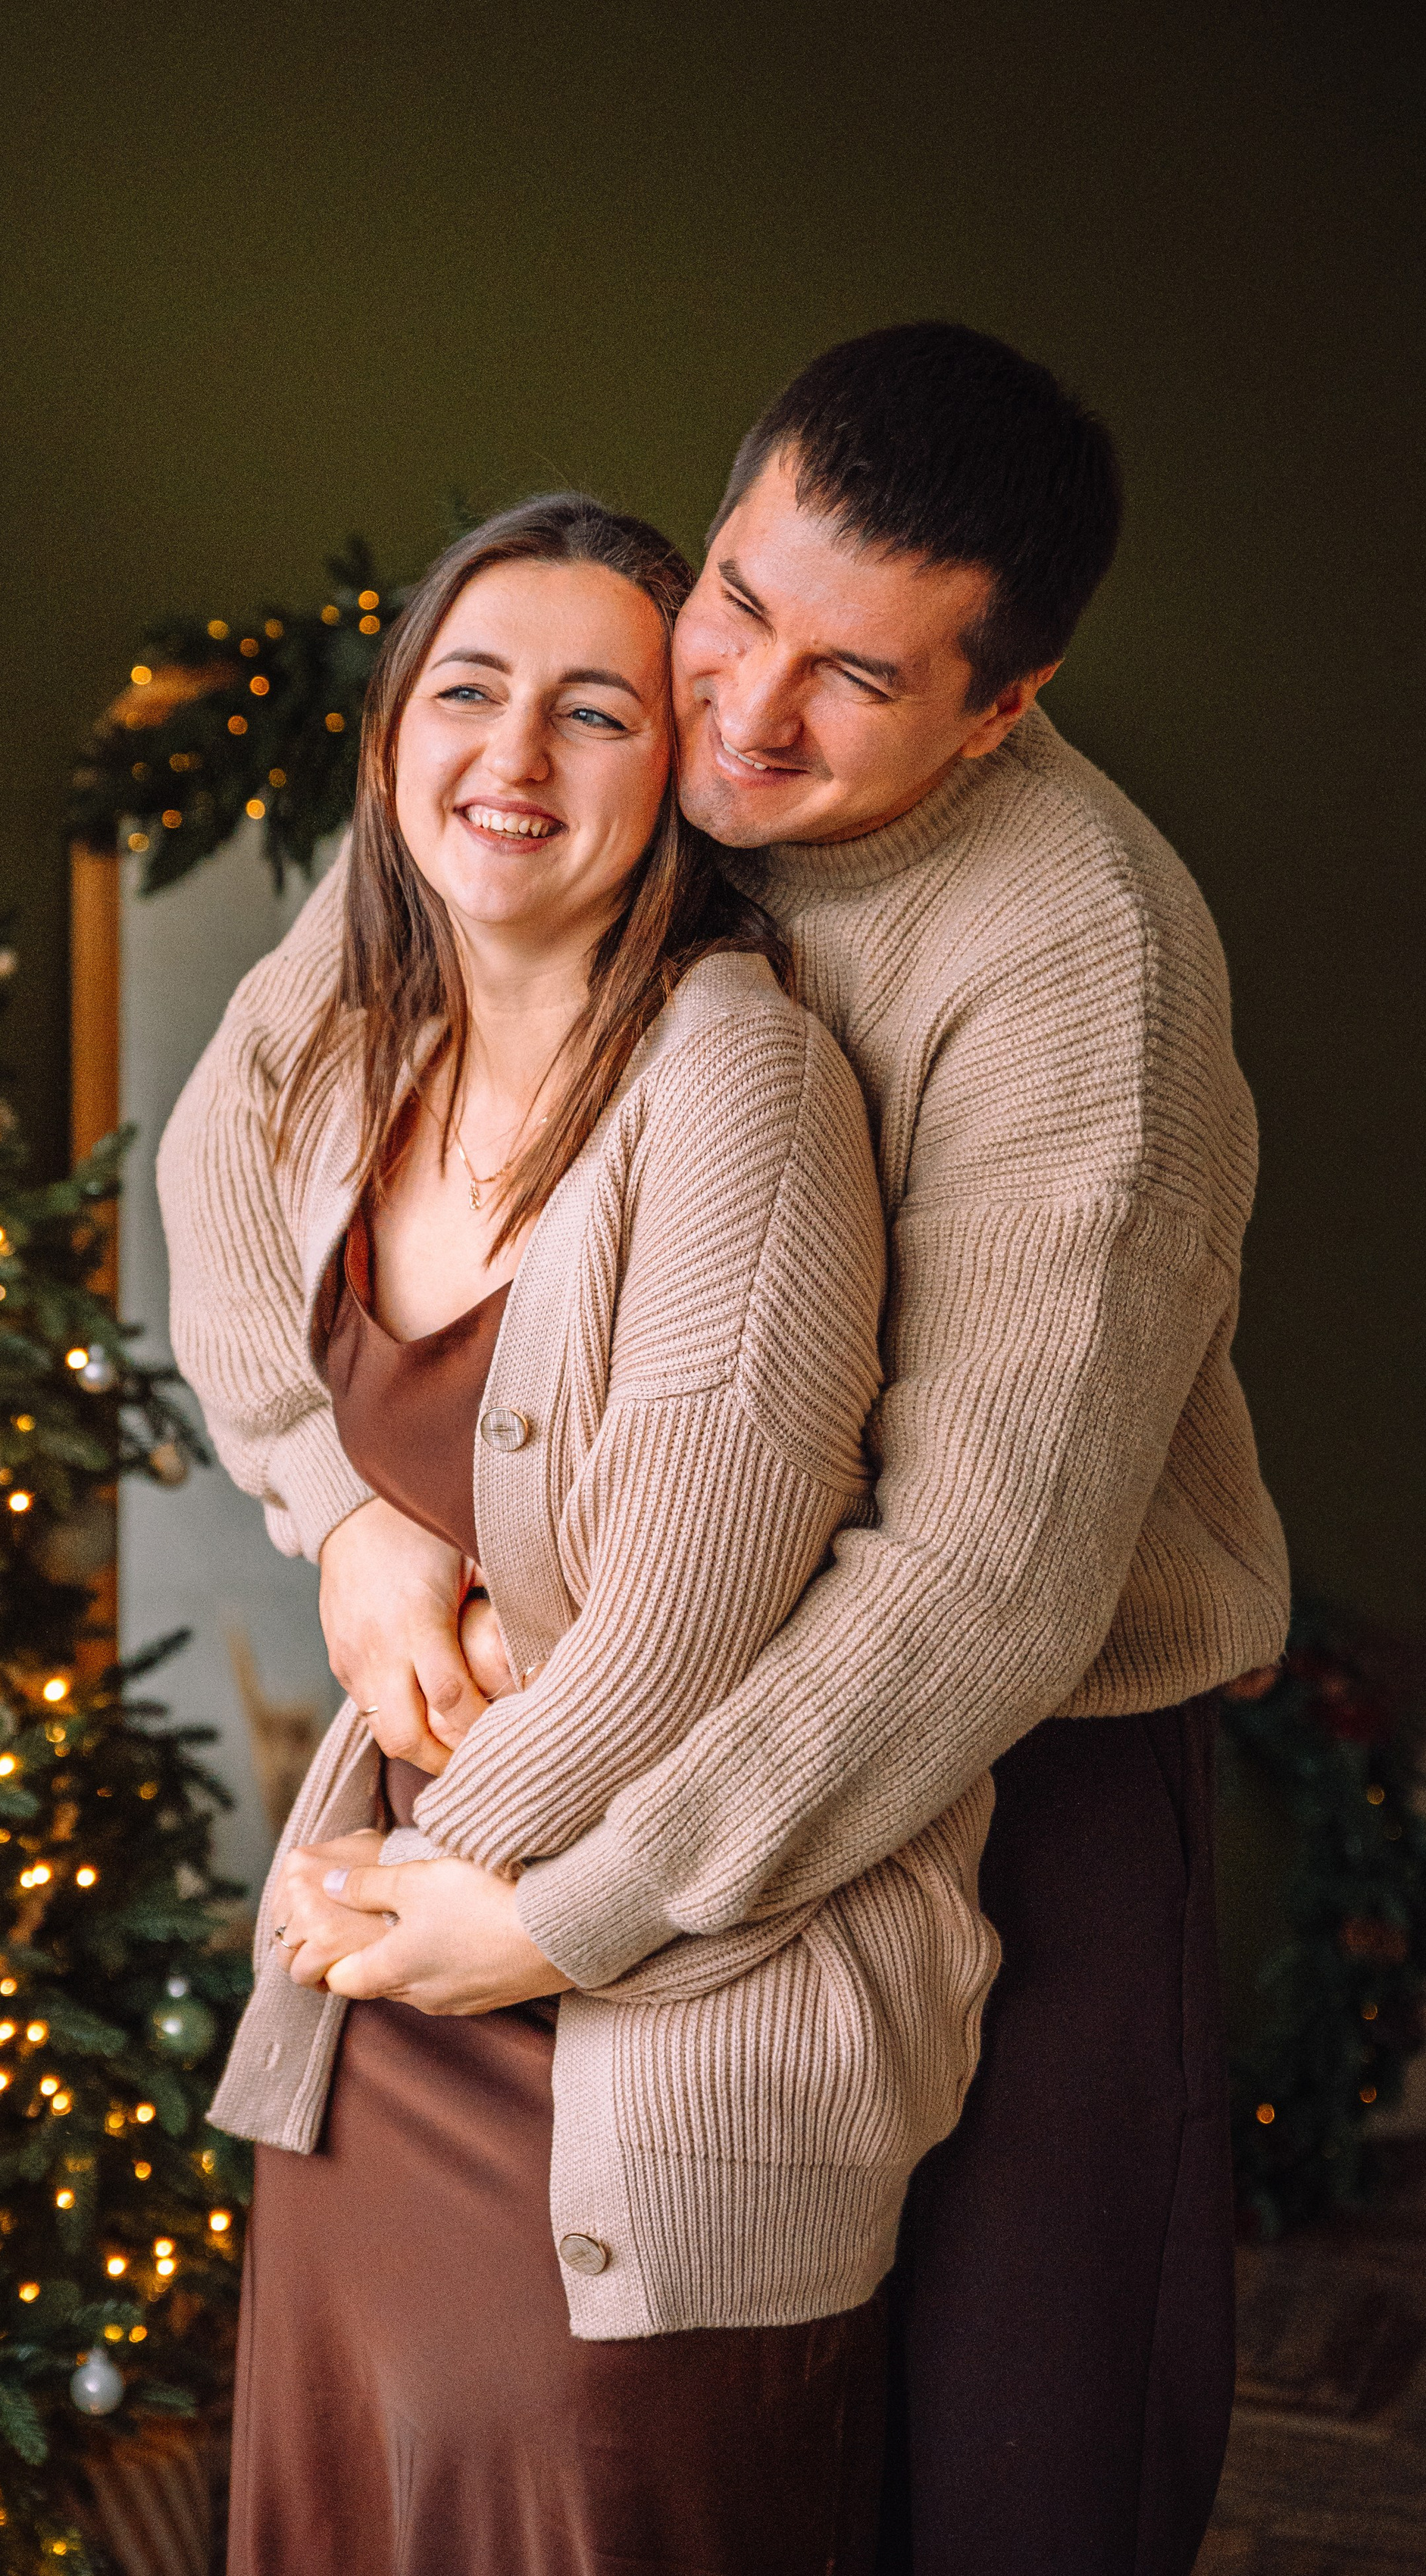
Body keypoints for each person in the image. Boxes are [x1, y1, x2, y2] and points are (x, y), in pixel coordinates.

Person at [159, 324, 1290, 2576]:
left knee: (1004, 2494)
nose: (743, 718)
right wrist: (340, 1512)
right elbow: (247, 1103)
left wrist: (581, 1908)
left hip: (1007, 1754)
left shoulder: (1084, 970)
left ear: (1005, 706)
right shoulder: (613, 729)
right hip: (610, 1724)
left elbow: (974, 1588)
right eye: (740, 606)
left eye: (855, 682)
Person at [160, 494, 1001, 2575]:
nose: (513, 759)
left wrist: (445, 1880)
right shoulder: (354, 1061)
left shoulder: (743, 1087)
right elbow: (217, 1253)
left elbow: (680, 1645)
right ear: (388, 749)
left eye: (597, 711)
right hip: (390, 2004)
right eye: (469, 692)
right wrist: (344, 1509)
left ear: (684, 775)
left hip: (651, 2025)